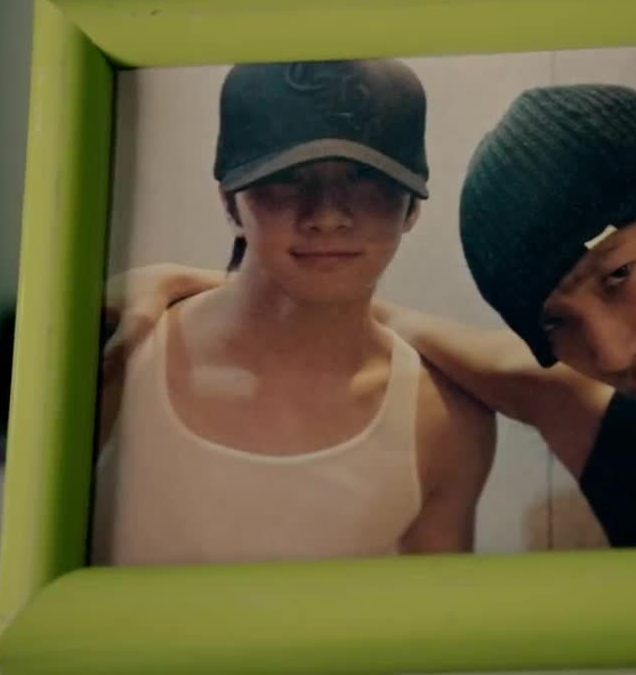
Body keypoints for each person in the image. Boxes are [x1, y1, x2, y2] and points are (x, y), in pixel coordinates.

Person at [104, 83, 636, 548]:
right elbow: (372, 313)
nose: (611, 351)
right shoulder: (588, 413)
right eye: (557, 326)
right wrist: (184, 283)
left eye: (617, 276)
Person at [90, 58, 496, 567]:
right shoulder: (119, 358)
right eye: (287, 178)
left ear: (412, 206)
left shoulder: (443, 418)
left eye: (364, 178)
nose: (327, 215)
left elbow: (436, 612)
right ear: (230, 203)